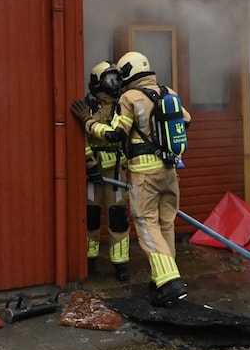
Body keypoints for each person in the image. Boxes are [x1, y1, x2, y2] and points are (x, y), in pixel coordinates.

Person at [73, 51, 190, 306]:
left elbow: (116, 134)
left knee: (147, 226)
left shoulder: (130, 97)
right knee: (165, 225)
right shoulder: (169, 92)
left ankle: (170, 283)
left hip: (143, 175)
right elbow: (186, 121)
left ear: (127, 74)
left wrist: (88, 123)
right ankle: (161, 279)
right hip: (170, 172)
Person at [79, 62, 130, 281]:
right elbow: (81, 139)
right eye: (111, 79)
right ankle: (89, 260)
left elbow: (120, 135)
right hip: (93, 173)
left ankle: (120, 264)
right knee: (90, 216)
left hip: (116, 173)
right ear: (98, 81)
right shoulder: (87, 107)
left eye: (117, 79)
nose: (116, 84)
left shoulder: (122, 105)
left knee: (118, 217)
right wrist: (89, 165)